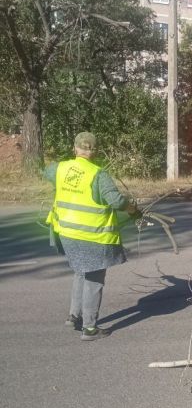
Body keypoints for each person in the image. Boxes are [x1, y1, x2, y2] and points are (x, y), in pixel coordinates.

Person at [44, 132, 139, 340]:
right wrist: (132, 209)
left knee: (80, 271)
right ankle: (89, 328)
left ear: (75, 148)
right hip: (92, 236)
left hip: (67, 232)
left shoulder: (59, 169)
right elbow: (115, 201)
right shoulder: (98, 174)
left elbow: (46, 171)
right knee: (94, 280)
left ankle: (73, 317)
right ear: (94, 151)